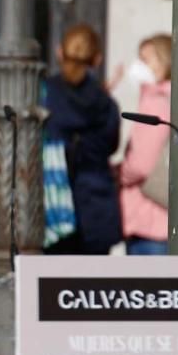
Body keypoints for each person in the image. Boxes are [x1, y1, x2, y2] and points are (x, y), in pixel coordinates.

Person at [43, 22, 121, 254]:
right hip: (95, 212)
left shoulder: (44, 96)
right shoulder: (105, 104)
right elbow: (110, 146)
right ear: (97, 59)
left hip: (51, 212)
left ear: (59, 52)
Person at [119, 34, 172, 255]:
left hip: (150, 221)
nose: (139, 66)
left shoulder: (156, 101)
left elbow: (140, 165)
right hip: (160, 221)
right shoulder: (172, 97)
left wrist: (118, 174)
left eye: (146, 59)